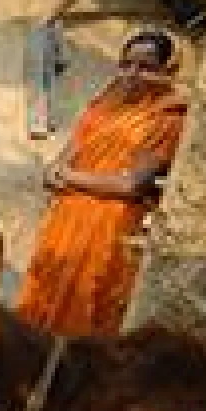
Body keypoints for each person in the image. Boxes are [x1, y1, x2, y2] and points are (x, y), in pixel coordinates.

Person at [15, 30, 189, 336]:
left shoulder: (167, 117)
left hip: (110, 225)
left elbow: (132, 185)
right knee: (44, 300)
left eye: (146, 67)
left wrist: (69, 177)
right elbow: (65, 157)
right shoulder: (103, 105)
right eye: (126, 64)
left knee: (88, 304)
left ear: (166, 72)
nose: (133, 74)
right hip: (66, 219)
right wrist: (54, 171)